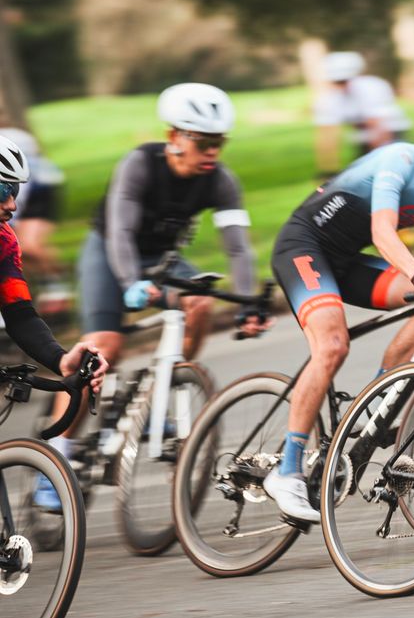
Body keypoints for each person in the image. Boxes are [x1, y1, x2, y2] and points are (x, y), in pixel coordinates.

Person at [36, 84, 269, 510]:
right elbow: (121, 233)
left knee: (199, 301)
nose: (213, 151)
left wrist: (249, 302)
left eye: (219, 142)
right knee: (103, 349)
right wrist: (129, 281)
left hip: (160, 259)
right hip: (110, 255)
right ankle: (56, 463)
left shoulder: (221, 181)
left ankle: (168, 382)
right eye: (203, 141)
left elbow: (237, 247)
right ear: (175, 137)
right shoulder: (139, 165)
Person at [262, 98, 414, 522]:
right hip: (304, 247)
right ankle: (287, 471)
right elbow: (381, 231)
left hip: (345, 259)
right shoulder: (400, 159)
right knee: (332, 345)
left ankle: (373, 408)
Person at [0, 136, 111, 508]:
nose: (12, 204)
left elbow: (19, 314)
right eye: (2, 189)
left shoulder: (4, 242)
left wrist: (61, 360)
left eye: (14, 190)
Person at [0, 127, 70, 316]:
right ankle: (46, 287)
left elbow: (17, 187)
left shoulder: (13, 136)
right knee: (18, 248)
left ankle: (58, 287)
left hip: (39, 188)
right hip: (21, 190)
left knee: (29, 245)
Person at [313, 51, 413, 175]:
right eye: (337, 81)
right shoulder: (328, 98)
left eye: (344, 80)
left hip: (392, 132)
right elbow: (327, 135)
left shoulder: (373, 88)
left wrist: (379, 162)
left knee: (394, 170)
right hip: (362, 137)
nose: (342, 85)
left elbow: (379, 127)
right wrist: (327, 171)